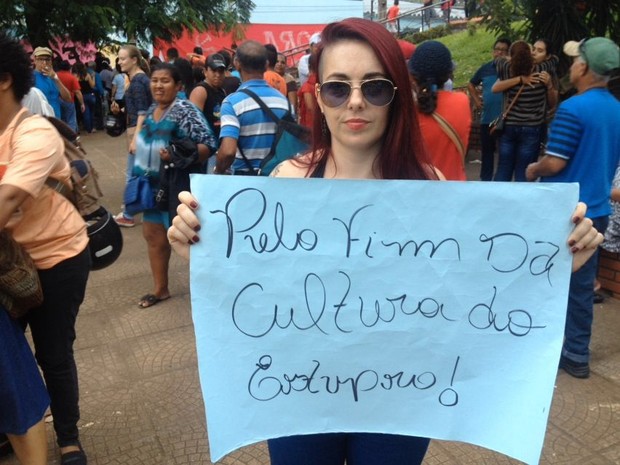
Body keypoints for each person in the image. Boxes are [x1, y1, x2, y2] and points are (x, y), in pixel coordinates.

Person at [167, 18, 603, 464]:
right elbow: (252, 296)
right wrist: (200, 249)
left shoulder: (430, 186)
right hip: (297, 394)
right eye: (338, 88)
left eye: (374, 87)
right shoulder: (287, 180)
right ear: (318, 96)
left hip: (400, 398)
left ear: (396, 95)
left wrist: (554, 259)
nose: (356, 102)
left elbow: (473, 288)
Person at [1, 31, 91, 465]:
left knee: (53, 353)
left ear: (4, 79)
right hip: (6, 267)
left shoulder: (34, 132)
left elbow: (7, 200)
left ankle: (69, 437)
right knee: (8, 358)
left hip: (58, 258)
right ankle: (17, 426)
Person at [526, 37, 620, 379]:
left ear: (583, 68)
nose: (571, 66)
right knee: (581, 288)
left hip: (563, 212)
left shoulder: (573, 109)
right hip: (597, 212)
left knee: (541, 279)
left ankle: (533, 345)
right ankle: (577, 353)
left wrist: (534, 168)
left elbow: (555, 163)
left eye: (574, 61)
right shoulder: (617, 110)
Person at [132, 62, 216, 308]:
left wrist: (177, 155)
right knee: (153, 235)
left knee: (192, 239)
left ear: (179, 86)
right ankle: (161, 289)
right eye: (155, 80)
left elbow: (208, 144)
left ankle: (213, 291)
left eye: (165, 81)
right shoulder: (151, 111)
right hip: (153, 185)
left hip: (179, 186)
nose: (158, 85)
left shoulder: (185, 111)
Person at [215, 40, 290, 175]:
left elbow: (228, 151)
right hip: (277, 178)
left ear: (236, 63)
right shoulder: (284, 102)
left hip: (244, 181)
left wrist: (218, 171)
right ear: (267, 64)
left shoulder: (232, 103)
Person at [492, 40, 558, 182]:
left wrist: (511, 59)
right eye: (532, 49)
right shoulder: (543, 72)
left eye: (539, 50)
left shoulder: (507, 69)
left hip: (509, 126)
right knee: (524, 170)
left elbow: (498, 60)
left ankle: (497, 201)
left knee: (504, 168)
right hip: (532, 128)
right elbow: (554, 61)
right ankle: (522, 202)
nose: (534, 52)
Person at [408, 40, 470, 181]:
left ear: (412, 76)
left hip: (420, 190)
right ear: (449, 75)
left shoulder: (407, 111)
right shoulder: (462, 101)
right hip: (455, 189)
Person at [111, 44, 153, 228]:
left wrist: (135, 137)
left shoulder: (137, 82)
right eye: (119, 58)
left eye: (123, 58)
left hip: (138, 129)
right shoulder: (141, 80)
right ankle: (142, 208)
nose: (120, 62)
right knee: (144, 171)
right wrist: (121, 109)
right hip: (143, 128)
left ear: (134, 60)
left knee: (133, 173)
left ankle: (128, 213)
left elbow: (142, 112)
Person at [468, 38, 511, 181]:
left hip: (508, 119)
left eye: (503, 50)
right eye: (497, 49)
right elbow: (471, 84)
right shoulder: (485, 68)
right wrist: (476, 100)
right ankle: (485, 181)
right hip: (488, 119)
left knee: (505, 153)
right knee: (487, 152)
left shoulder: (512, 69)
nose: (499, 52)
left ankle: (502, 181)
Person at [189, 54, 228, 140]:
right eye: (214, 71)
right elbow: (194, 124)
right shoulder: (200, 91)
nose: (217, 75)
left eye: (221, 71)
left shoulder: (221, 91)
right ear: (205, 71)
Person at [31, 46, 71, 118]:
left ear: (51, 61)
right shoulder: (31, 77)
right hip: (39, 121)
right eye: (40, 59)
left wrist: (56, 79)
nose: (44, 62)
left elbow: (68, 98)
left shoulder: (54, 77)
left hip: (56, 120)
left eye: (47, 59)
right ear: (35, 60)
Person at [56, 60, 85, 133]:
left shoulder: (55, 76)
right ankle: (71, 137)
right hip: (69, 101)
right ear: (69, 67)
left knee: (60, 120)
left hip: (57, 100)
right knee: (71, 120)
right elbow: (77, 92)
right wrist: (82, 103)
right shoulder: (71, 77)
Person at [73, 61, 96, 133]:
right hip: (90, 95)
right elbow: (92, 86)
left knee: (85, 112)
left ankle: (88, 128)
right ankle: (92, 127)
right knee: (92, 112)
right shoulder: (87, 75)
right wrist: (93, 77)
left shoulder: (75, 77)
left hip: (82, 96)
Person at [275, 53, 298, 117]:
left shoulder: (289, 79)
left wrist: (292, 118)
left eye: (282, 62)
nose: (279, 64)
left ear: (285, 65)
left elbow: (293, 105)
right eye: (277, 61)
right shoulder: (267, 77)